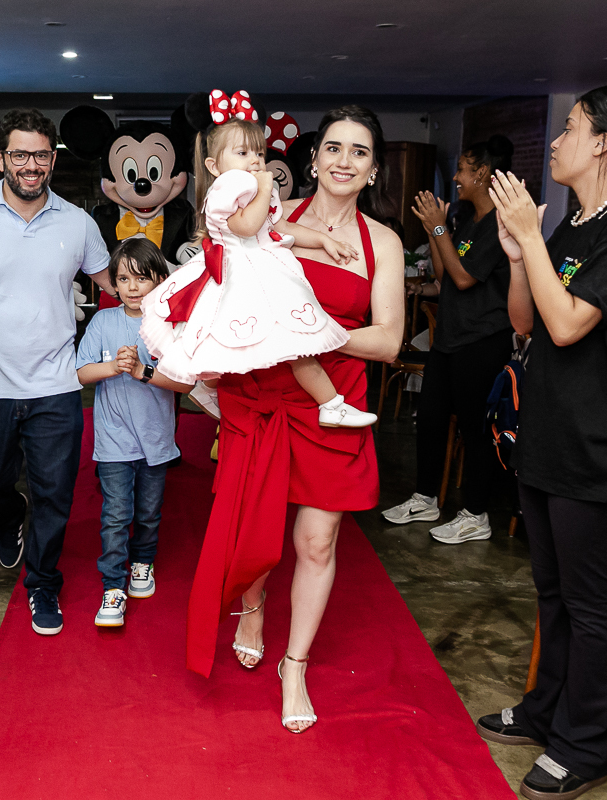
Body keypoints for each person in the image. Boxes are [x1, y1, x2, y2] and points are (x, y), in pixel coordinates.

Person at [178, 106, 404, 734]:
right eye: (333, 147)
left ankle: (295, 664)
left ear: (373, 170)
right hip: (265, 398)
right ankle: (252, 609)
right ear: (312, 158)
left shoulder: (381, 242)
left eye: (359, 152)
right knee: (257, 530)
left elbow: (388, 343)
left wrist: (319, 334)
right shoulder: (271, 216)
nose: (343, 160)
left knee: (316, 540)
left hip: (335, 404)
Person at [476, 85, 607, 800]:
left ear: (602, 144)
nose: (555, 140)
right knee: (551, 589)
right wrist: (519, 253)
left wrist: (531, 237)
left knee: (588, 602)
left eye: (570, 128)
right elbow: (528, 323)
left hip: (597, 437)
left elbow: (569, 327)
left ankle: (584, 746)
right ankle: (542, 713)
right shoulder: (577, 222)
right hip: (550, 429)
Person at [0, 108, 115, 635]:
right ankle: (9, 517)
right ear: (0, 159)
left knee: (56, 492)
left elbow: (116, 284)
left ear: (53, 158)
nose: (30, 166)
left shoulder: (78, 224)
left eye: (40, 155)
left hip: (57, 385)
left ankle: (43, 585)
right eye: (20, 155)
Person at [140, 113, 378, 429]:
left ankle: (325, 404)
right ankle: (330, 404)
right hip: (241, 274)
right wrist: (265, 187)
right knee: (285, 342)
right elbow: (247, 226)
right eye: (242, 153)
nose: (255, 160)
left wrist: (323, 240)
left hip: (261, 268)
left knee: (272, 344)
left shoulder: (251, 186)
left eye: (259, 153)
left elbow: (278, 227)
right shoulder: (227, 187)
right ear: (214, 166)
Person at [382, 136, 516, 543]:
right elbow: (444, 275)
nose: (456, 177)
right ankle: (425, 498)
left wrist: (439, 227)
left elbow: (463, 277)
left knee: (476, 431)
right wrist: (434, 228)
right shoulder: (471, 220)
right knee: (432, 422)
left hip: (483, 341)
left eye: (462, 169)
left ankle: (476, 514)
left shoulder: (499, 224)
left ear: (483, 174)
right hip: (451, 341)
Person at [76, 239, 194, 626]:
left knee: (147, 512)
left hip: (156, 440)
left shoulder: (169, 327)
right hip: (113, 441)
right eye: (123, 278)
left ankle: (142, 563)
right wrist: (114, 367)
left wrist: (142, 371)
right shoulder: (102, 322)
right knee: (115, 514)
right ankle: (113, 585)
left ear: (161, 280)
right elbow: (81, 373)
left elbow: (186, 384)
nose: (131, 287)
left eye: (141, 278)